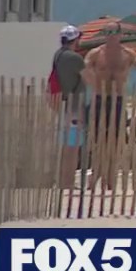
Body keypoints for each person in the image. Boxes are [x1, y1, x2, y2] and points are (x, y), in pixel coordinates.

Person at [84, 23, 136, 191]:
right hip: (100, 99)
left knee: (116, 140)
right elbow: (83, 69)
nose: (111, 35)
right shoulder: (95, 53)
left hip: (118, 100)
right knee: (98, 139)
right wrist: (94, 84)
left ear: (120, 34)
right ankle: (96, 173)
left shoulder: (128, 54)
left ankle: (109, 176)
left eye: (114, 32)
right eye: (108, 32)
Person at [51, 25, 89, 184]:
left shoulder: (58, 55)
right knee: (72, 147)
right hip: (73, 107)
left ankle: (64, 180)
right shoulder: (74, 58)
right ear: (76, 40)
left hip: (63, 104)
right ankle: (67, 182)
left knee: (66, 145)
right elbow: (88, 78)